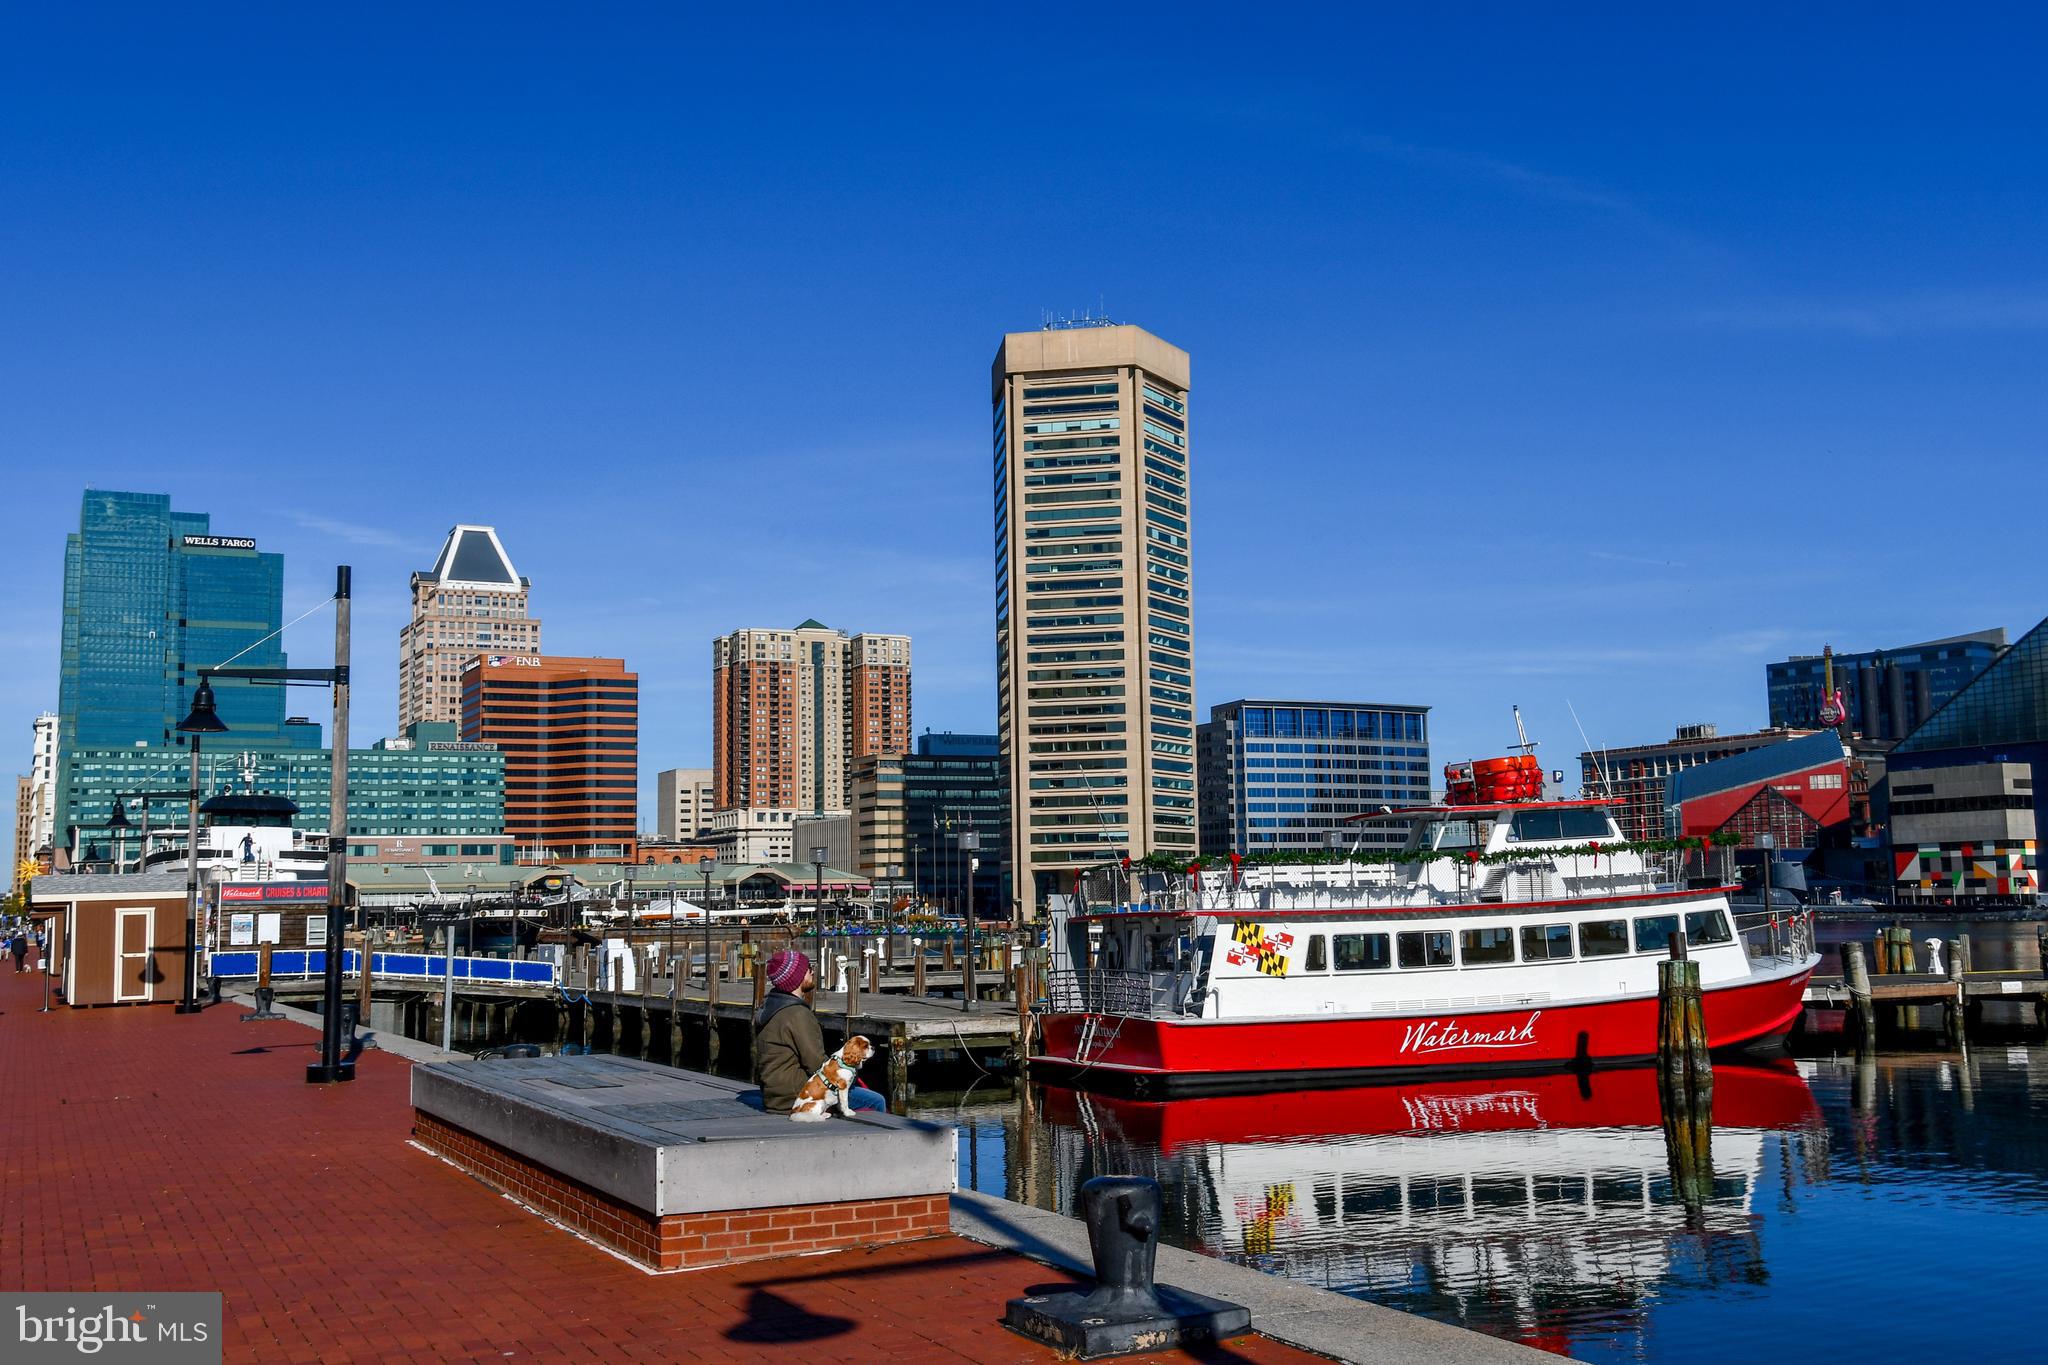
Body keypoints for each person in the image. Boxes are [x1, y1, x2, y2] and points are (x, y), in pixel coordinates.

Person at [753, 948, 886, 1115]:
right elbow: (816, 1063)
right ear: (797, 977)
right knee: (876, 1101)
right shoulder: (797, 1014)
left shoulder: (769, 1007)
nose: (811, 972)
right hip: (796, 1097)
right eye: (808, 968)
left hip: (774, 1095)